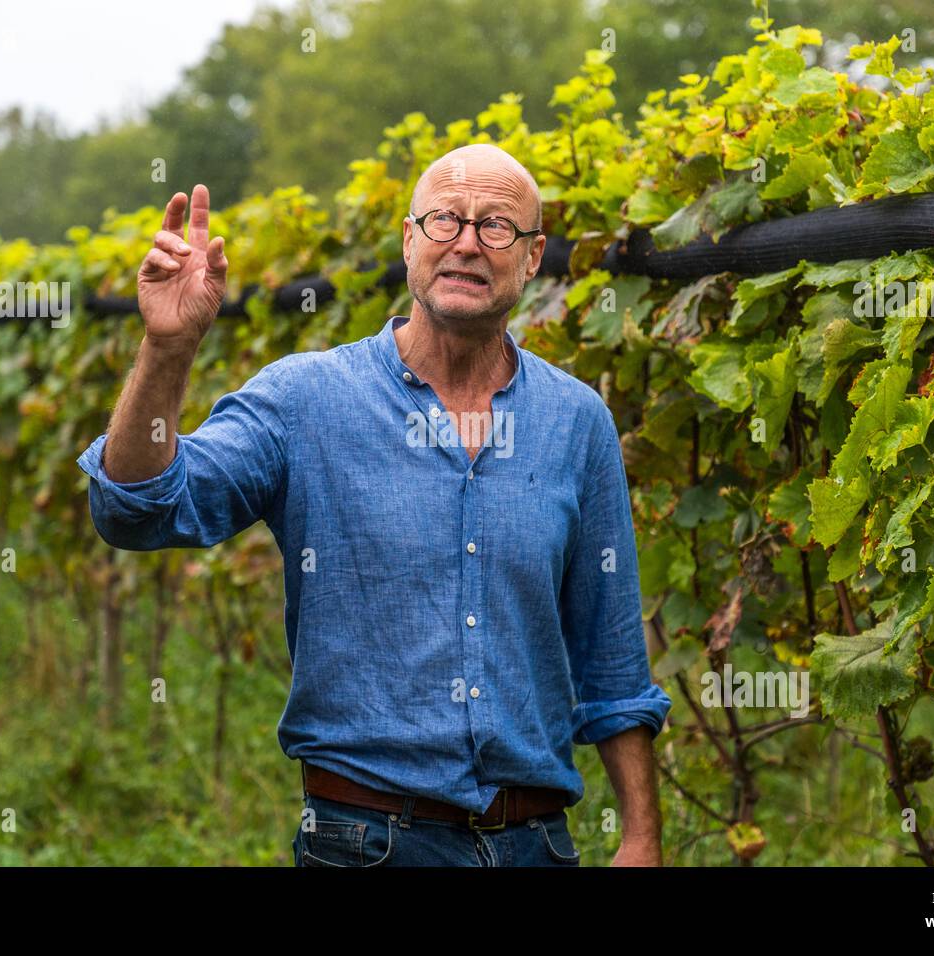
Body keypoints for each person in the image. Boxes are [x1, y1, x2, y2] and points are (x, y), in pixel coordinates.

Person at [76, 143, 673, 866]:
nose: (466, 244)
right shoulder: (307, 399)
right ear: (409, 239)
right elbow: (137, 508)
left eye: (495, 227)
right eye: (445, 220)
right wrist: (167, 350)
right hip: (367, 845)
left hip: (537, 845)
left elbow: (611, 657)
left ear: (533, 255)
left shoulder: (577, 422)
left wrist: (641, 836)